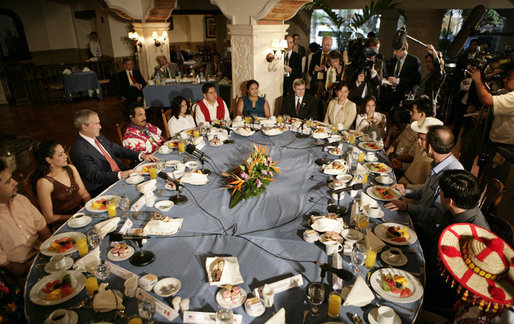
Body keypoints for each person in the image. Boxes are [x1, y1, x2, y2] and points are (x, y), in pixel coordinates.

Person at [385, 125, 464, 243]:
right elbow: (426, 191)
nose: (418, 142)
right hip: (418, 218)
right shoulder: (437, 163)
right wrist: (405, 191)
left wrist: (406, 206)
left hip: (426, 232)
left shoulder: (451, 175)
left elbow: (436, 216)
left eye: (423, 140)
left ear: (430, 147)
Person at [70, 109, 159, 197]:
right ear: (84, 127)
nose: (100, 127)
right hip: (105, 186)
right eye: (96, 123)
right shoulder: (78, 150)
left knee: (155, 181)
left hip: (122, 174)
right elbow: (95, 175)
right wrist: (121, 174)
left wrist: (141, 155)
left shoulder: (98, 136)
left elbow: (118, 149)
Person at [0, 159, 51, 276]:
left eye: (12, 178)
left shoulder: (21, 200)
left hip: (44, 254)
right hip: (24, 272)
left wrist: (53, 253)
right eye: (8, 182)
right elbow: (8, 266)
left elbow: (43, 230)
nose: (15, 182)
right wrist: (35, 269)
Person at [33, 141, 91, 229]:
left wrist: (89, 209)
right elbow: (49, 218)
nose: (66, 156)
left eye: (64, 152)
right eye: (60, 155)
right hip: (64, 224)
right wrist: (76, 217)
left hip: (83, 214)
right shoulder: (44, 183)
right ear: (49, 160)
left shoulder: (71, 168)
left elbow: (84, 194)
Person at [387, 95, 435, 171]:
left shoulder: (422, 135)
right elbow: (398, 139)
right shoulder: (411, 124)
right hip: (394, 156)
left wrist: (393, 159)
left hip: (400, 162)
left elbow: (410, 157)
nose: (410, 113)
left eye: (413, 111)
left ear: (422, 114)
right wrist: (388, 151)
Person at [348, 37, 384, 106]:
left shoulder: (379, 63)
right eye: (372, 50)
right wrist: (357, 81)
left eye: (377, 50)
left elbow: (379, 82)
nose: (374, 53)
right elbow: (348, 81)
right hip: (355, 98)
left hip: (370, 100)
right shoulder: (357, 60)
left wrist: (373, 72)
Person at [385, 42, 421, 109]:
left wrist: (398, 81)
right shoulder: (393, 60)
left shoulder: (414, 61)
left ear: (404, 48)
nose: (394, 53)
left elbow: (416, 81)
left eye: (396, 50)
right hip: (390, 98)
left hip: (404, 100)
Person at [309, 36, 333, 120]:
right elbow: (310, 71)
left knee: (325, 105)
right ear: (321, 44)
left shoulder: (333, 56)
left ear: (331, 45)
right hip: (316, 82)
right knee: (315, 105)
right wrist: (314, 70)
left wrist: (327, 70)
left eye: (328, 45)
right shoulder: (316, 55)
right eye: (324, 45)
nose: (326, 47)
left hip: (327, 83)